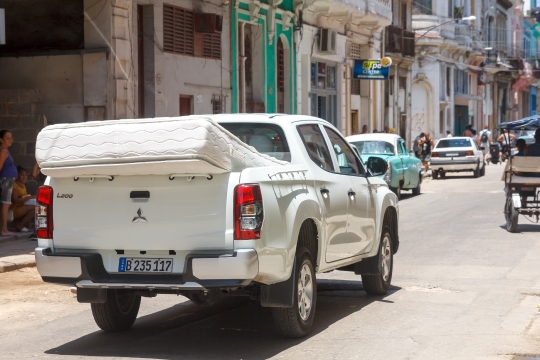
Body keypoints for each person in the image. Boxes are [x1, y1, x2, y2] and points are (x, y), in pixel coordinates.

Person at [0, 130, 18, 236]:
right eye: (7, 138)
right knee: (5, 204)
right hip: (6, 180)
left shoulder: (5, 150)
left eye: (11, 138)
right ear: (1, 140)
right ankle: (4, 230)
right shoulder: (3, 151)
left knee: (5, 204)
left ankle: (4, 229)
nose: (10, 140)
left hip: (8, 180)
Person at [10, 166, 36, 232]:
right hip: (13, 209)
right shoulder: (15, 185)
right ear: (18, 176)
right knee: (35, 207)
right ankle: (20, 225)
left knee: (34, 209)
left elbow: (24, 197)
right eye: (22, 175)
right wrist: (30, 197)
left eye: (25, 175)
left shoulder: (23, 186)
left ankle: (21, 225)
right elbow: (15, 200)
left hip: (21, 207)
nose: (24, 177)